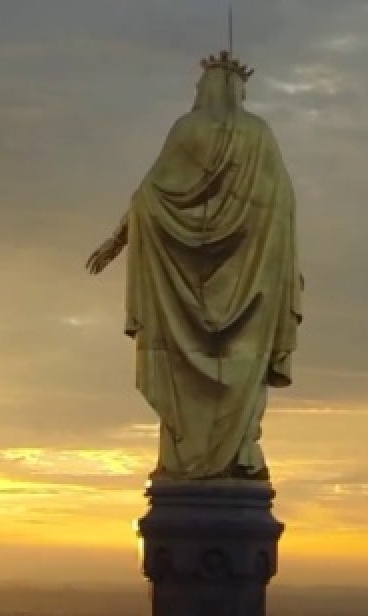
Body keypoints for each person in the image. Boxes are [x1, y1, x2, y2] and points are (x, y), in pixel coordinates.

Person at [86, 51, 303, 482]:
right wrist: (282, 262)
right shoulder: (259, 134)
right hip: (253, 280)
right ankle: (239, 455)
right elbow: (281, 207)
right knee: (243, 373)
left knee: (189, 377)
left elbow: (149, 198)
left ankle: (188, 458)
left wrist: (115, 243)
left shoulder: (189, 129)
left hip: (196, 284)